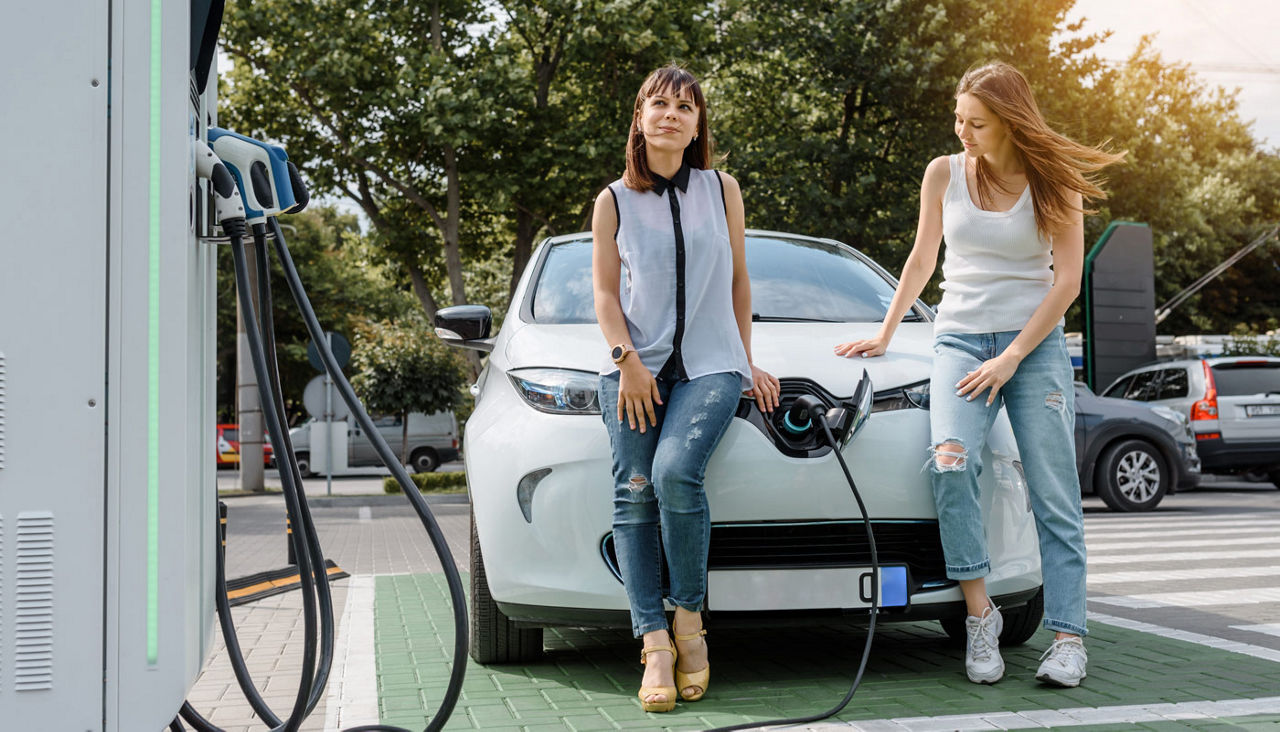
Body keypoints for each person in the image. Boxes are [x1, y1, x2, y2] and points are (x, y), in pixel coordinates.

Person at [835, 61, 1124, 688]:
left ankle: (1068, 638)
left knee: (1053, 490)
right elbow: (921, 257)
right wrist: (885, 333)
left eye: (976, 122)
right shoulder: (943, 172)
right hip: (960, 340)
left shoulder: (1052, 182)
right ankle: (979, 615)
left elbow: (1067, 281)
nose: (962, 130)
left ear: (1009, 122)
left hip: (1035, 347)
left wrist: (1015, 354)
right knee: (950, 462)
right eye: (958, 118)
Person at [591, 64, 781, 712]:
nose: (671, 114)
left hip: (712, 364)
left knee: (674, 472)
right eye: (659, 103)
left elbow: (739, 282)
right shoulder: (612, 200)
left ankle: (690, 622)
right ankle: (653, 642)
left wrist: (746, 358)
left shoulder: (722, 189)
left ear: (698, 124)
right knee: (634, 489)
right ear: (640, 118)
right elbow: (605, 294)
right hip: (636, 364)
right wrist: (626, 362)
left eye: (685, 106)